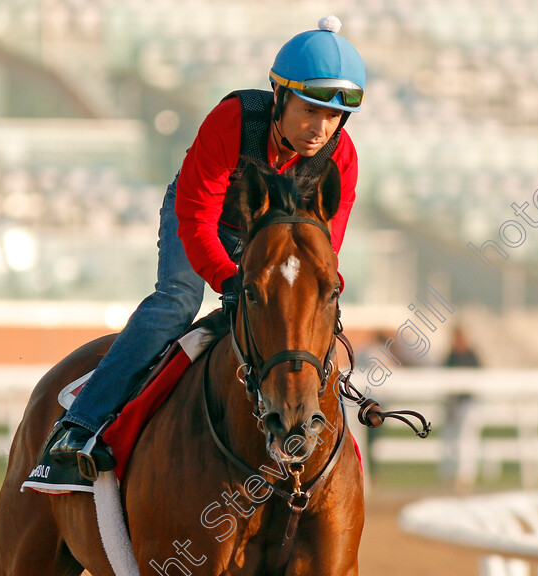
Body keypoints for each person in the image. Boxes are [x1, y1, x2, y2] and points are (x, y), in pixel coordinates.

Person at [49, 15, 365, 472]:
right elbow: (196, 220)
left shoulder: (343, 156)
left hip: (266, 238)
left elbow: (324, 246)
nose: (321, 128)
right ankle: (81, 423)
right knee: (178, 302)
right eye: (309, 110)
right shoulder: (233, 120)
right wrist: (228, 279)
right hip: (205, 217)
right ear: (278, 99)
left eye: (333, 115)